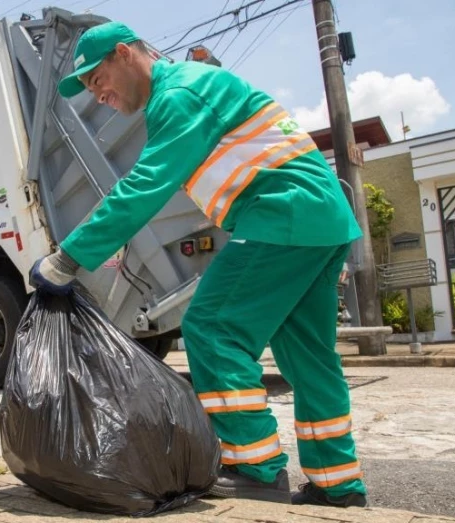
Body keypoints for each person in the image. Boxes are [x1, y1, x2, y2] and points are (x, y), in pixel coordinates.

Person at [28, 21, 368, 508]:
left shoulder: (179, 94)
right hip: (320, 219)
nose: (95, 94)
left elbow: (144, 185)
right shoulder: (190, 89)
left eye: (96, 79)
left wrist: (67, 259)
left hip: (283, 212)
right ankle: (340, 487)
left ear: (124, 54)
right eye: (87, 88)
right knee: (309, 359)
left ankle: (254, 467)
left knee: (212, 327)